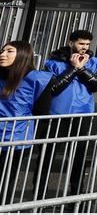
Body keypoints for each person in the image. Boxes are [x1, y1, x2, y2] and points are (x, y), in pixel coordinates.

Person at [42, 29, 97, 194]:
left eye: (87, 44)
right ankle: (39, 192)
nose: (84, 47)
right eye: (81, 43)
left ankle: (76, 192)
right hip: (57, 114)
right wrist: (73, 68)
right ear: (71, 43)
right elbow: (53, 89)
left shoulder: (95, 62)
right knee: (47, 155)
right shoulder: (53, 63)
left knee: (79, 156)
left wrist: (82, 69)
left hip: (83, 113)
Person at [0, 41, 54, 202]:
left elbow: (42, 113)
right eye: (2, 51)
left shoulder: (38, 79)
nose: (2, 54)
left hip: (15, 138)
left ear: (23, 55)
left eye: (9, 51)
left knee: (4, 181)